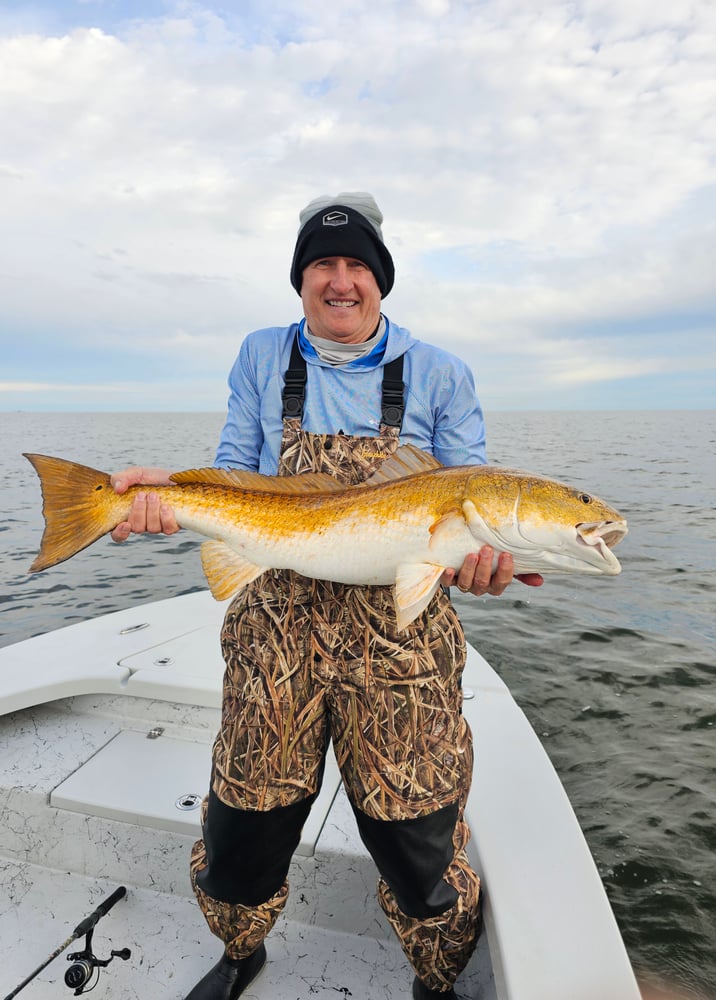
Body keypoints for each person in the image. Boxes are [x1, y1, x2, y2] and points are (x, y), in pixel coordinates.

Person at [111, 192, 543, 1000]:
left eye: (358, 267)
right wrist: (161, 492)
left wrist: (481, 564)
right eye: (323, 265)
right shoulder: (262, 355)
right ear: (301, 278)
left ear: (382, 281)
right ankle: (241, 950)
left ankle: (437, 977)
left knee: (417, 840)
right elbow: (235, 468)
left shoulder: (442, 373)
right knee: (246, 825)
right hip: (274, 621)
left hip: (401, 645)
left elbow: (470, 503)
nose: (341, 282)